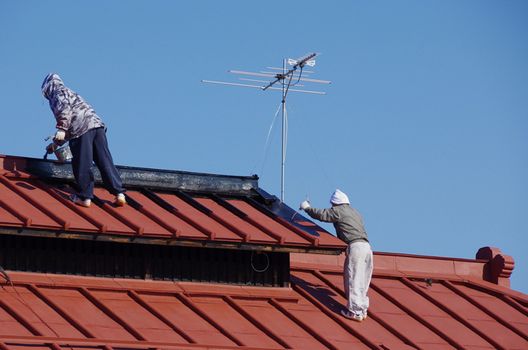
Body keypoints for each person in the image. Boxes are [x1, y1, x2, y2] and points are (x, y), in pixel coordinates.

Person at [42, 73, 126, 208]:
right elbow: (74, 116)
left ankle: (84, 197)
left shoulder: (58, 93)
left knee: (82, 163)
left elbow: (65, 111)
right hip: (97, 127)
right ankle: (119, 193)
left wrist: (61, 129)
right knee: (104, 160)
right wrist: (55, 144)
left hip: (81, 130)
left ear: (48, 88)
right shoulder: (72, 93)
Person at [300, 189, 372, 322]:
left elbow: (322, 215)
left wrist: (307, 208)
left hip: (355, 246)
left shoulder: (339, 211)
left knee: (353, 278)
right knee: (363, 279)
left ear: (335, 203)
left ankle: (354, 312)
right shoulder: (355, 212)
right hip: (367, 247)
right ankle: (362, 309)